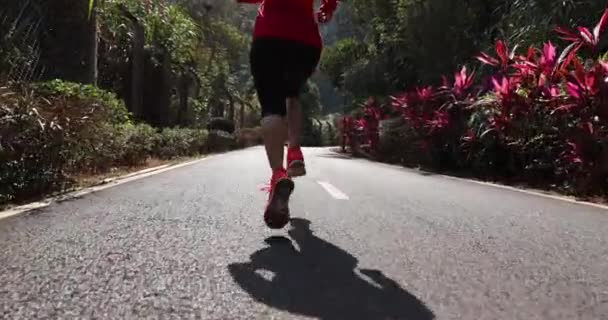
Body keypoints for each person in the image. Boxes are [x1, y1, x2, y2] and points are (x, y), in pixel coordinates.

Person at [237, 0, 339, 229]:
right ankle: (293, 150)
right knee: (292, 95)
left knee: (272, 107)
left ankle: (278, 176)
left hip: (270, 36)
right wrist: (327, 9)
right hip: (305, 43)